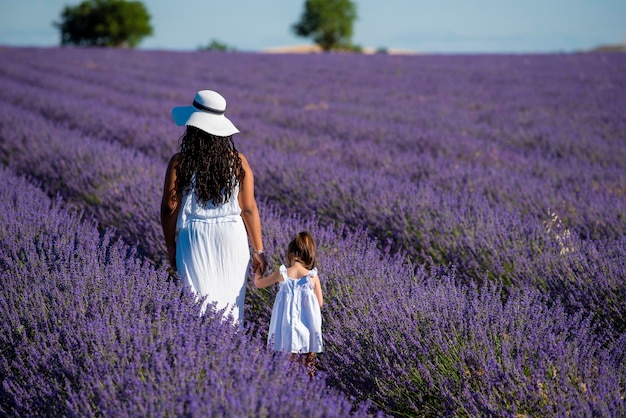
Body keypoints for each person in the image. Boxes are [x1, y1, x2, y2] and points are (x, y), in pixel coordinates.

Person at [160, 89, 267, 324]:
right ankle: (230, 354)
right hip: (233, 237)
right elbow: (248, 208)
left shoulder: (181, 162)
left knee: (198, 305)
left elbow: (169, 207)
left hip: (194, 236)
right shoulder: (239, 162)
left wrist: (171, 246)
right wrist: (258, 251)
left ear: (193, 126)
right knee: (231, 306)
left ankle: (204, 356)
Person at [254, 231, 324, 377]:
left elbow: (258, 284)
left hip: (287, 326)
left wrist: (258, 271)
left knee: (287, 363)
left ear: (290, 255)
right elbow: (320, 303)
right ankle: (309, 392)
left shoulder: (283, 273)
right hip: (308, 327)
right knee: (308, 363)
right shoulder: (313, 276)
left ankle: (286, 389)